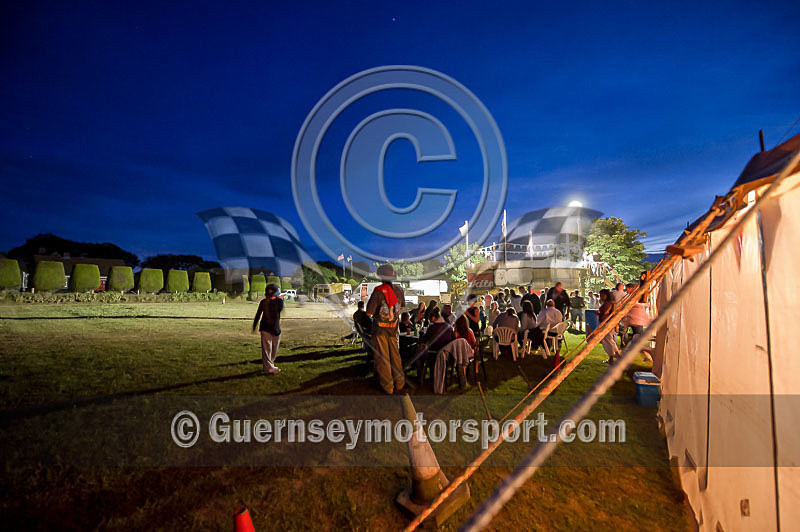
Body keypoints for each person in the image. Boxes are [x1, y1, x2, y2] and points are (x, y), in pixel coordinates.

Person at [365, 264, 406, 394]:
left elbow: (369, 313)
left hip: (380, 330)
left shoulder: (378, 291)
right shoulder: (399, 289)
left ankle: (388, 387)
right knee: (396, 357)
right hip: (394, 329)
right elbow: (402, 307)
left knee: (383, 359)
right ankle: (399, 383)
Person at [252, 283, 285, 375]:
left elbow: (279, 310)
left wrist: (276, 299)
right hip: (265, 328)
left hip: (276, 329)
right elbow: (258, 314)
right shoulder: (264, 302)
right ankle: (268, 367)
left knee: (274, 349)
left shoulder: (279, 302)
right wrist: (254, 326)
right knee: (267, 349)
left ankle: (270, 365)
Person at [597, 289, 620, 363]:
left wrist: (601, 315)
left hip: (606, 323)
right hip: (607, 323)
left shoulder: (608, 303)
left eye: (602, 295)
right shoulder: (607, 303)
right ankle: (616, 354)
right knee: (610, 340)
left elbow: (606, 313)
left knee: (607, 340)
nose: (601, 297)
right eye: (600, 295)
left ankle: (611, 357)